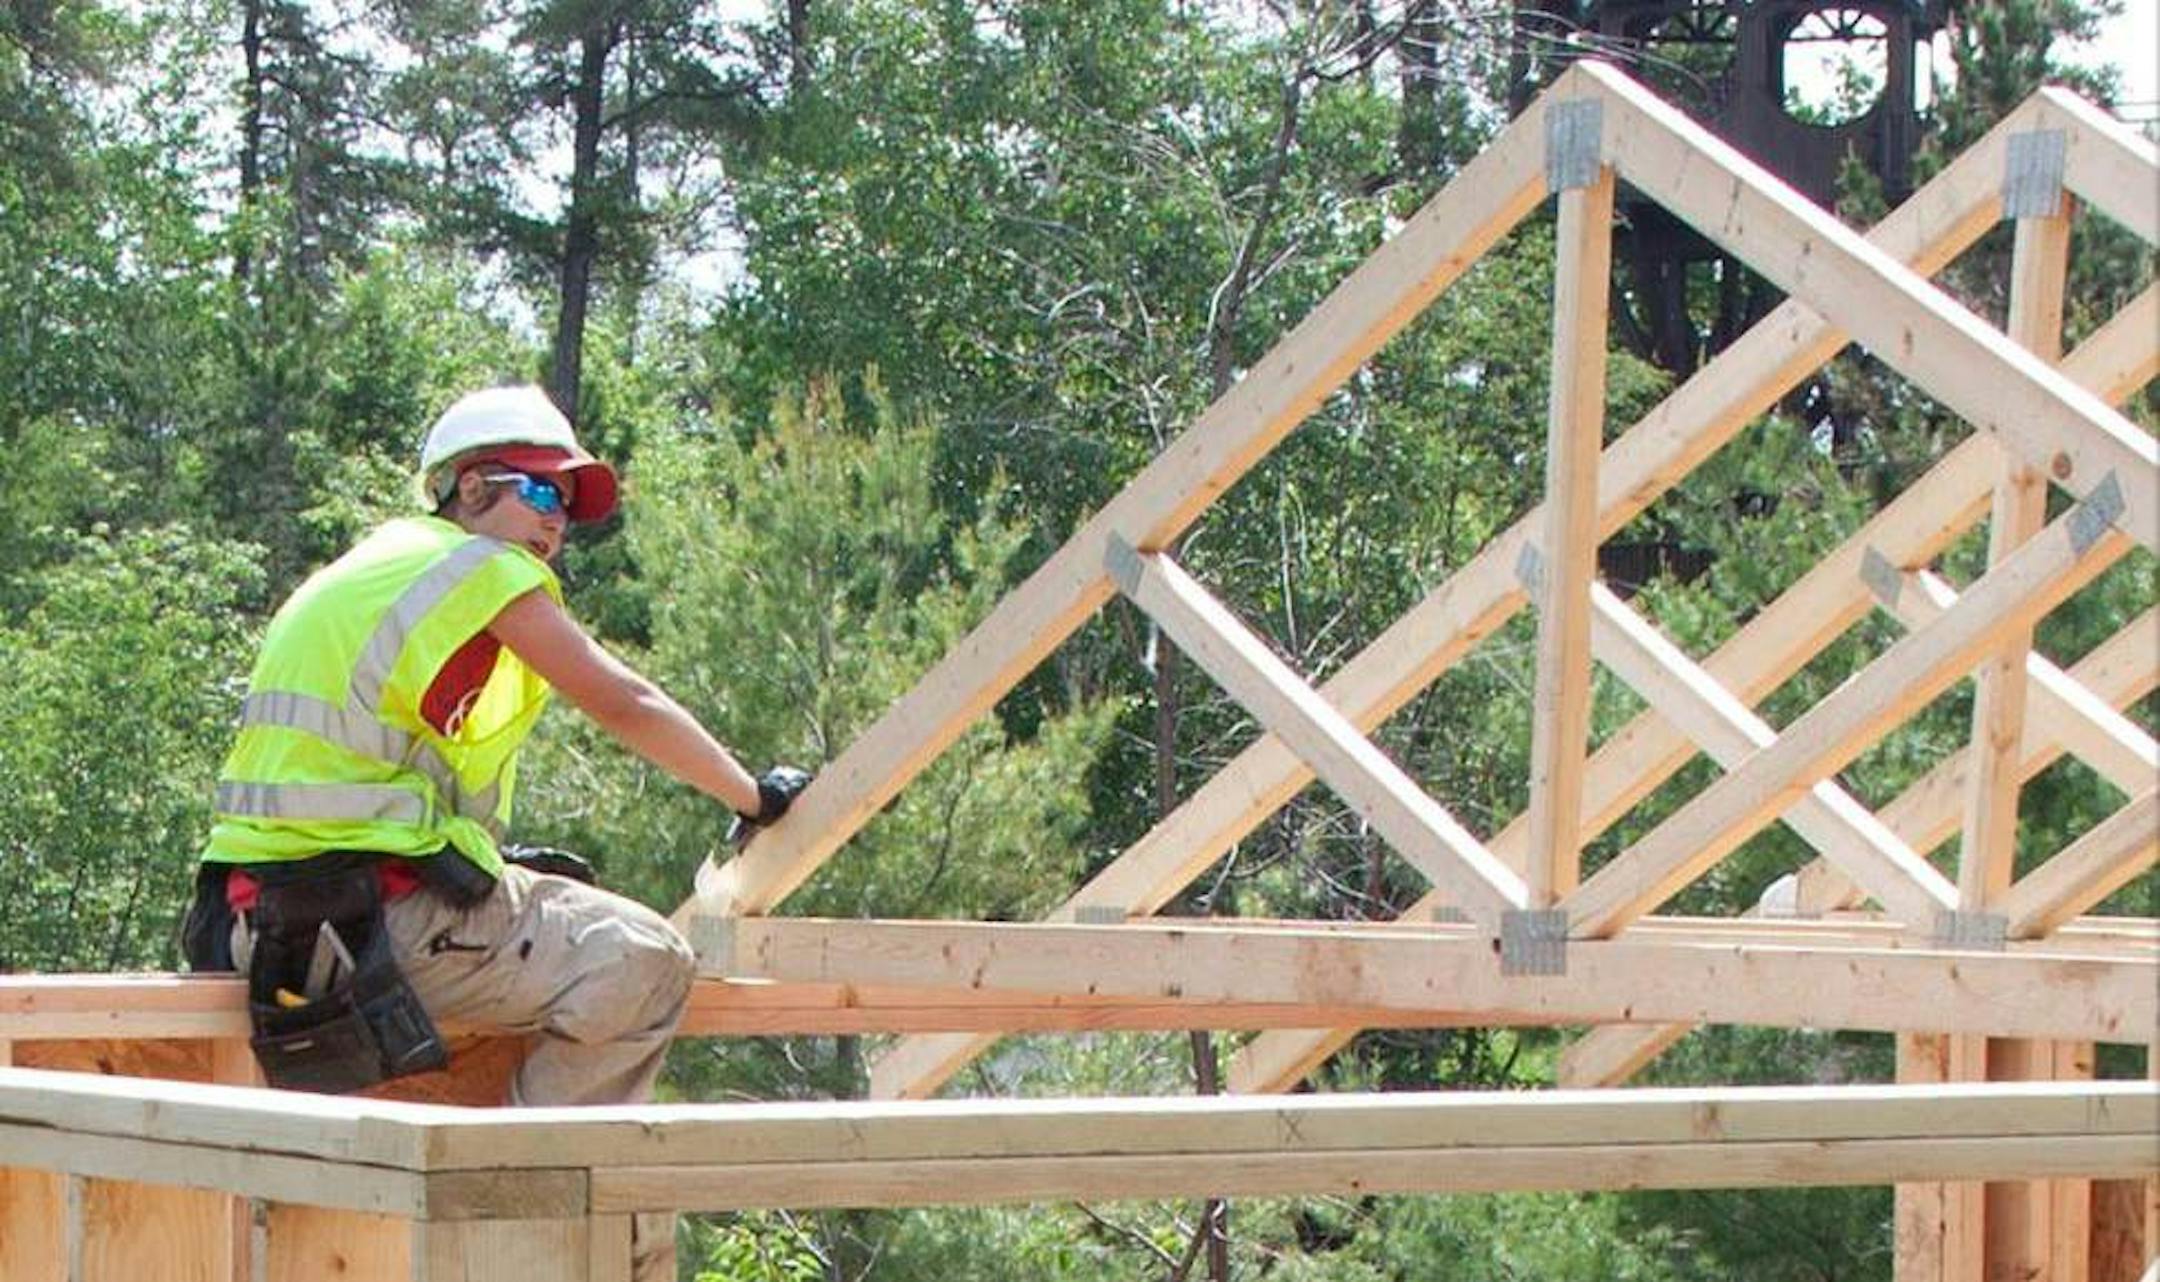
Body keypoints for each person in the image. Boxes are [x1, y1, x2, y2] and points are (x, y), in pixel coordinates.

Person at [183, 384, 810, 1105]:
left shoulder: (370, 570)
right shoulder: (479, 567)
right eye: (540, 492)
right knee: (646, 960)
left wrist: (472, 858)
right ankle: (521, 1164)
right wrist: (752, 797)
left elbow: (354, 783)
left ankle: (506, 1147)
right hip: (374, 922)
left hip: (255, 930)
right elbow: (625, 701)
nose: (555, 523)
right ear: (473, 487)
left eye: (566, 508)